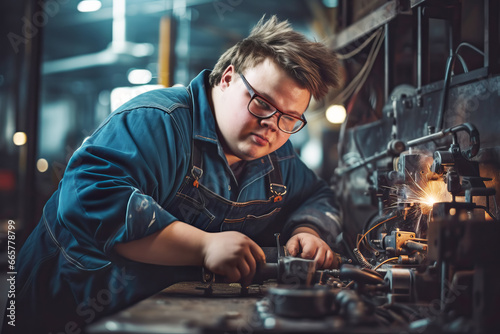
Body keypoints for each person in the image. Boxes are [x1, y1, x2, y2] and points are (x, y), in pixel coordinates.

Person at [10, 15, 341, 334]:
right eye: (262, 103)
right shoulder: (158, 122)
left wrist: (309, 230)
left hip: (160, 314)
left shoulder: (277, 158)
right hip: (66, 304)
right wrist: (203, 247)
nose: (272, 124)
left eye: (289, 118)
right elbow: (91, 195)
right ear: (227, 79)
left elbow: (317, 195)